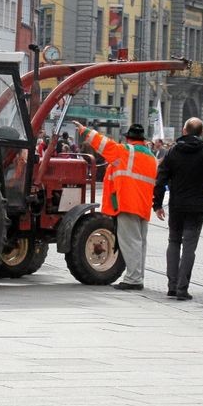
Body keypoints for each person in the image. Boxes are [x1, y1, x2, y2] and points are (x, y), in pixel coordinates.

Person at [76, 120, 158, 291]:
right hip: (143, 205)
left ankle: (133, 279)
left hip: (128, 202)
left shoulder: (125, 152)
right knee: (140, 242)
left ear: (128, 139)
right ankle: (138, 276)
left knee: (130, 242)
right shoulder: (151, 157)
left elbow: (103, 144)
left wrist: (84, 131)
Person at [153, 118, 203, 301]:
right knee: (189, 247)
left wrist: (158, 204)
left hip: (176, 205)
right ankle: (182, 288)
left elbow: (160, 178)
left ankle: (171, 286)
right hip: (197, 207)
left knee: (173, 242)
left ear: (184, 131)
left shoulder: (172, 152)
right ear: (201, 133)